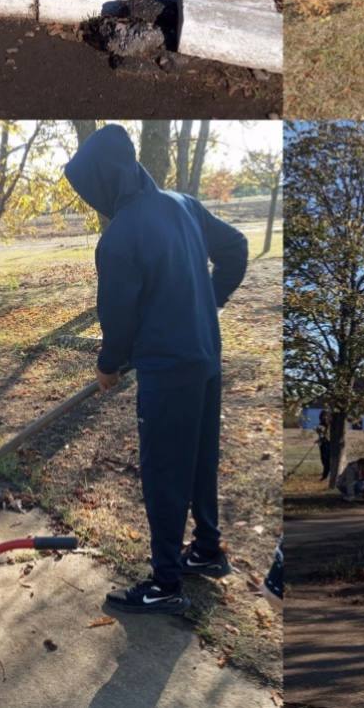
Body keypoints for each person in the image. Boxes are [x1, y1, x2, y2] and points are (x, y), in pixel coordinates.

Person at [63, 125, 248, 615]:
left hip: (168, 373)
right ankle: (207, 550)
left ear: (102, 183)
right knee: (200, 459)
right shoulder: (182, 204)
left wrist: (108, 366)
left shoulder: (119, 235)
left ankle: (166, 582)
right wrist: (208, 303)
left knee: (165, 473)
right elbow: (236, 249)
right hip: (206, 359)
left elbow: (118, 320)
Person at [317, 409, 332, 481]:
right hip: (322, 444)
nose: (325, 417)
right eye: (323, 415)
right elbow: (321, 434)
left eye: (326, 415)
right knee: (323, 460)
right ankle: (327, 474)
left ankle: (325, 476)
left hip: (329, 444)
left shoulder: (331, 425)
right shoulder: (321, 425)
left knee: (327, 461)